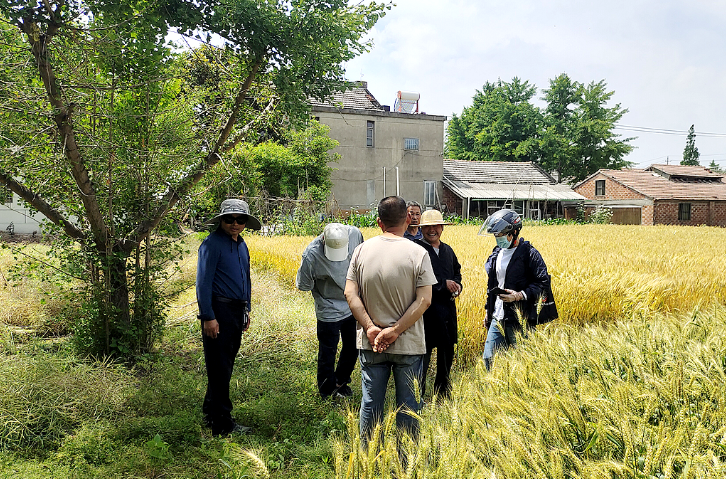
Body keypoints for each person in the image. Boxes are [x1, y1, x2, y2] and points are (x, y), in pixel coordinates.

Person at [344, 196, 437, 441]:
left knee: (371, 403)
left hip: (371, 343)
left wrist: (370, 328)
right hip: (408, 344)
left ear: (379, 222)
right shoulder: (418, 253)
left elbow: (350, 293)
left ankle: (368, 454)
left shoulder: (361, 251)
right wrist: (395, 330)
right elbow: (425, 300)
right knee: (409, 406)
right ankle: (407, 457)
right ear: (407, 218)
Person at [196, 199, 262, 436]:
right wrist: (208, 316)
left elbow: (246, 278)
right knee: (219, 366)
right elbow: (203, 283)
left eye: (240, 220)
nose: (235, 224)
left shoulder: (241, 244)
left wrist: (247, 309)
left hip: (236, 310)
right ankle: (222, 423)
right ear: (221, 220)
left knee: (224, 364)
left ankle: (210, 411)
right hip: (219, 310)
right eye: (229, 219)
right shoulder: (211, 244)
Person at [479, 208, 555, 370]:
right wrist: (488, 310)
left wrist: (519, 295)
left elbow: (542, 283)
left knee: (525, 364)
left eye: (500, 235)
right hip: (498, 317)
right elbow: (491, 285)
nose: (497, 238)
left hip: (520, 319)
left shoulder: (529, 254)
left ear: (513, 232)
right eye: (495, 235)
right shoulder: (497, 253)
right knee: (489, 359)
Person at [296, 223, 364, 399]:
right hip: (327, 307)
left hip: (352, 302)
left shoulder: (355, 235)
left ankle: (340, 382)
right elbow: (304, 285)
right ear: (323, 240)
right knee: (328, 351)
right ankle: (326, 391)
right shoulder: (311, 254)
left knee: (354, 346)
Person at [413, 209, 462, 399]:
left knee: (446, 353)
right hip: (426, 313)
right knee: (422, 356)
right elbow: (415, 281)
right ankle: (417, 396)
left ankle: (442, 393)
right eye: (427, 227)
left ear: (442, 228)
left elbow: (457, 272)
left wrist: (457, 285)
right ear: (421, 229)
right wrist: (443, 285)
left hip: (447, 312)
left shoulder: (448, 250)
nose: (432, 230)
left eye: (436, 226)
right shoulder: (416, 250)